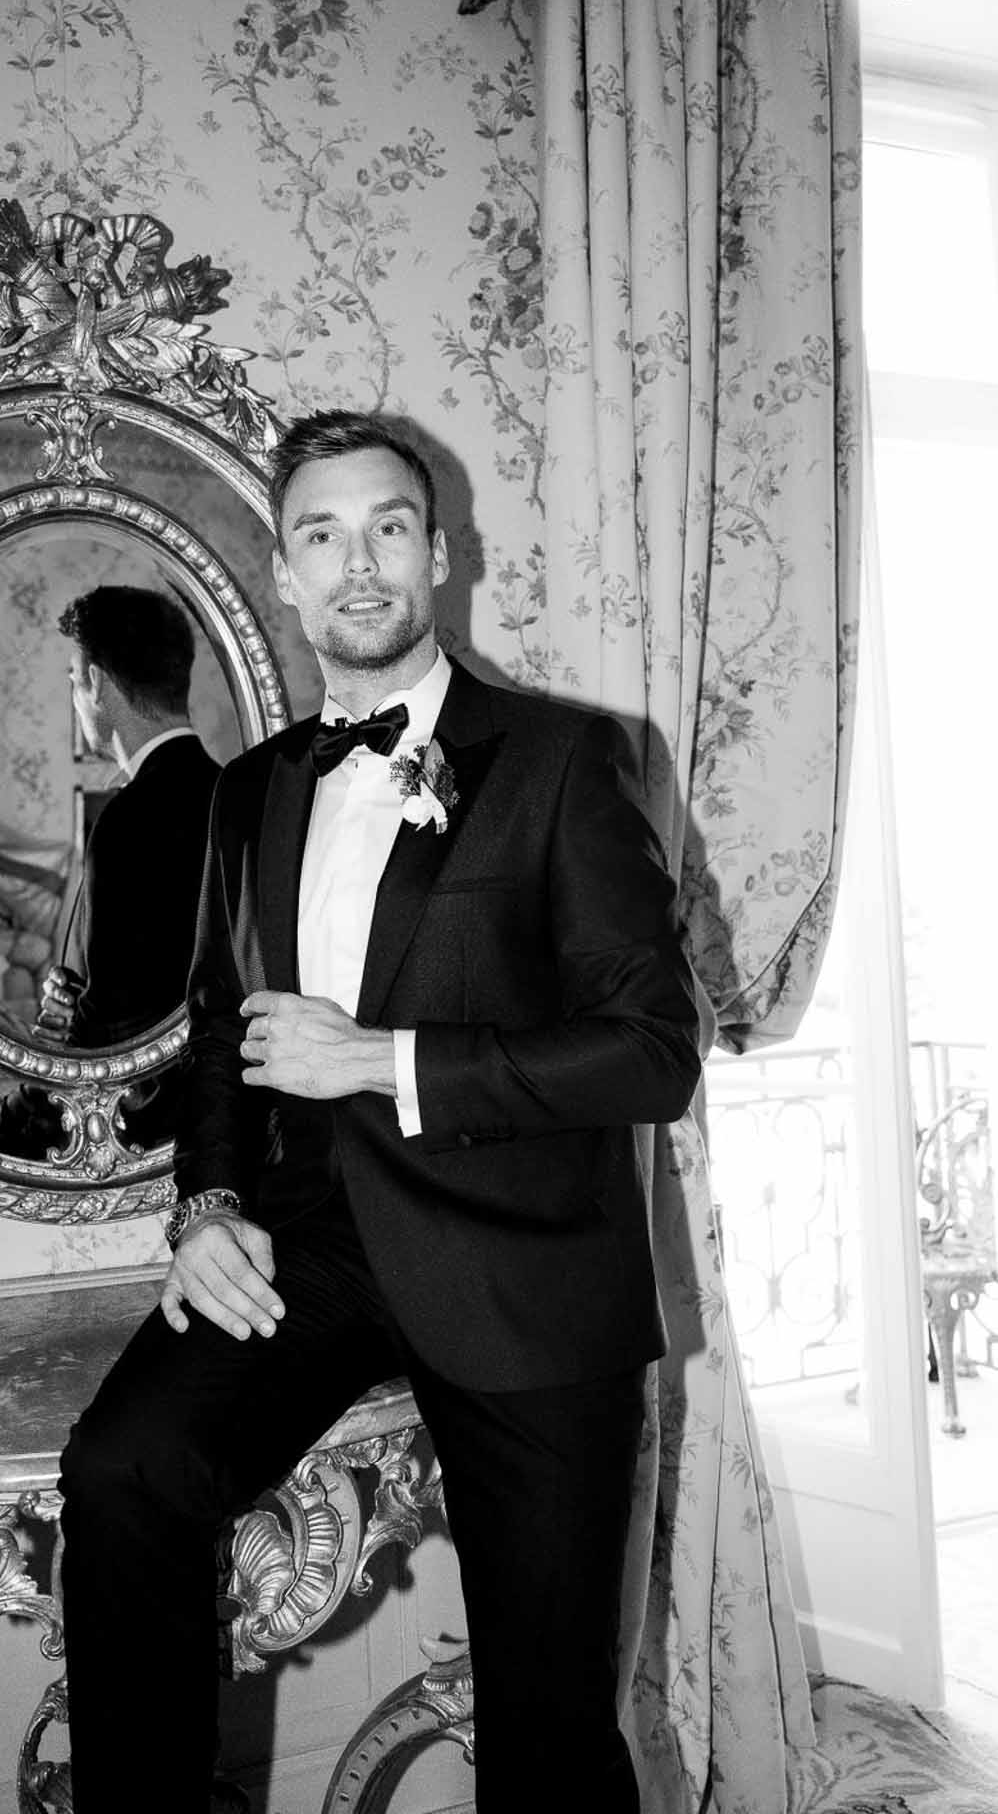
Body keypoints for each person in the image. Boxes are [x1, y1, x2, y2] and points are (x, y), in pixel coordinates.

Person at [56, 412, 703, 1810]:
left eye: (388, 528)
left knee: (545, 1720)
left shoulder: (562, 760)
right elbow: (225, 1032)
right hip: (310, 1250)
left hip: (526, 1258)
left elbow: (651, 1051)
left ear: (439, 555)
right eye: (320, 534)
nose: (358, 564)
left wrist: (385, 1059)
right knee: (123, 1472)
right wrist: (205, 1207)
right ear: (281, 573)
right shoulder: (242, 792)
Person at [35, 584, 220, 1056]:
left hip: (147, 1112)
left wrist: (67, 1036)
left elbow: (115, 1020)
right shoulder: (230, 792)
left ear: (95, 683)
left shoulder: (127, 821)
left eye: (74, 678)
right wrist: (77, 994)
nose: (76, 697)